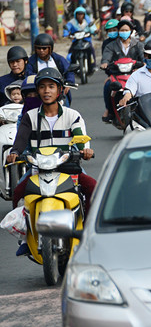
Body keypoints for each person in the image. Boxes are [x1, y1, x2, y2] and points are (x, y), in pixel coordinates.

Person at [7, 68, 96, 231]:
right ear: (37, 91)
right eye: (42, 87)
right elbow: (21, 138)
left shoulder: (72, 115)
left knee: (92, 187)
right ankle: (25, 234)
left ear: (59, 90)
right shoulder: (30, 116)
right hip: (38, 169)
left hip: (69, 168)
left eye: (51, 86)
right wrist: (14, 152)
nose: (46, 91)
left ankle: (89, 228)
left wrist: (85, 150)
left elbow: (80, 136)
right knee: (18, 192)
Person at [100, 20, 145, 121]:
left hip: (134, 74)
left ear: (131, 31)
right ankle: (109, 110)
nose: (124, 32)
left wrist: (144, 63)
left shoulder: (138, 45)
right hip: (117, 75)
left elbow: (144, 57)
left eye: (126, 30)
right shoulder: (111, 45)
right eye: (122, 30)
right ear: (118, 32)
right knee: (107, 85)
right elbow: (106, 57)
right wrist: (105, 63)